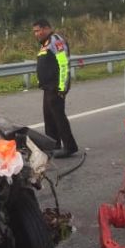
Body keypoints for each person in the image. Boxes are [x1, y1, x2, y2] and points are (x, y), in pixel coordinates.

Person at [32, 18, 79, 158]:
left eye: (38, 30)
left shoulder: (56, 41)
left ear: (46, 28)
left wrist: (62, 88)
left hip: (56, 87)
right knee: (49, 117)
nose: (36, 34)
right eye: (34, 32)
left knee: (59, 118)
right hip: (47, 87)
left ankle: (70, 147)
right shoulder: (45, 44)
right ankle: (53, 144)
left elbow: (63, 64)